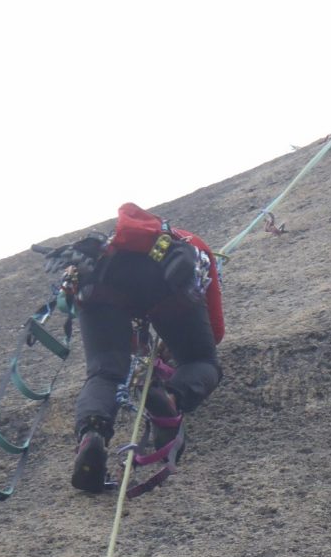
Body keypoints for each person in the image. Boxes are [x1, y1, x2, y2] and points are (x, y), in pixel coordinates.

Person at [52, 204, 224, 493]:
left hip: (98, 279)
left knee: (105, 372)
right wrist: (176, 351)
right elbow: (215, 333)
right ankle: (170, 399)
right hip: (162, 280)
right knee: (200, 360)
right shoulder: (194, 247)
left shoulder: (111, 246)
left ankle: (91, 435)